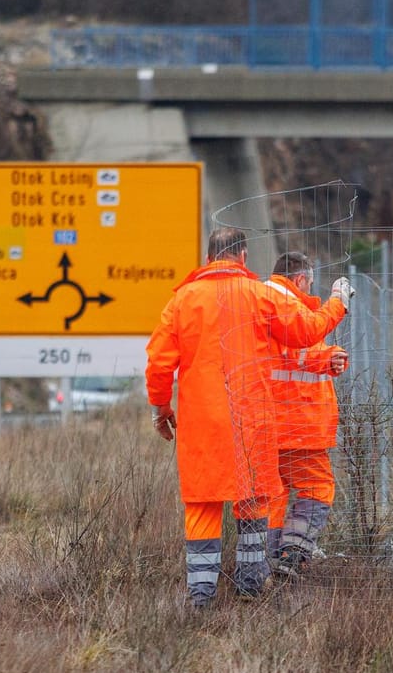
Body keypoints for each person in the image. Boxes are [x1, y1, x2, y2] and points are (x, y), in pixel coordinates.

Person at [145, 227, 353, 608]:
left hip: (200, 422)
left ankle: (201, 599)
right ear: (242, 258)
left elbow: (159, 363)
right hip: (252, 420)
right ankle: (250, 588)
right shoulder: (259, 295)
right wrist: (337, 302)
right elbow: (307, 331)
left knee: (203, 505)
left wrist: (162, 408)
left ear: (209, 258)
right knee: (254, 501)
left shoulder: (182, 301)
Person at [262, 252, 349, 576]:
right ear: (300, 279)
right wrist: (338, 301)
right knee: (317, 487)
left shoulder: (262, 302)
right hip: (298, 419)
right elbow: (304, 337)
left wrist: (329, 358)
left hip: (265, 422)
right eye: (309, 282)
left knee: (273, 492)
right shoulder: (286, 303)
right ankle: (293, 552)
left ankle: (264, 561)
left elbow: (294, 354)